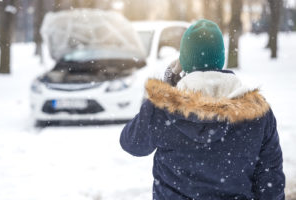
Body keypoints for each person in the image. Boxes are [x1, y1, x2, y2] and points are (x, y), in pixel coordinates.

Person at [120, 19, 285, 200]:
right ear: (220, 59)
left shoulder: (163, 109)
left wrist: (163, 92)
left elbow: (132, 144)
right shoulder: (257, 112)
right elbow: (271, 182)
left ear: (183, 62)